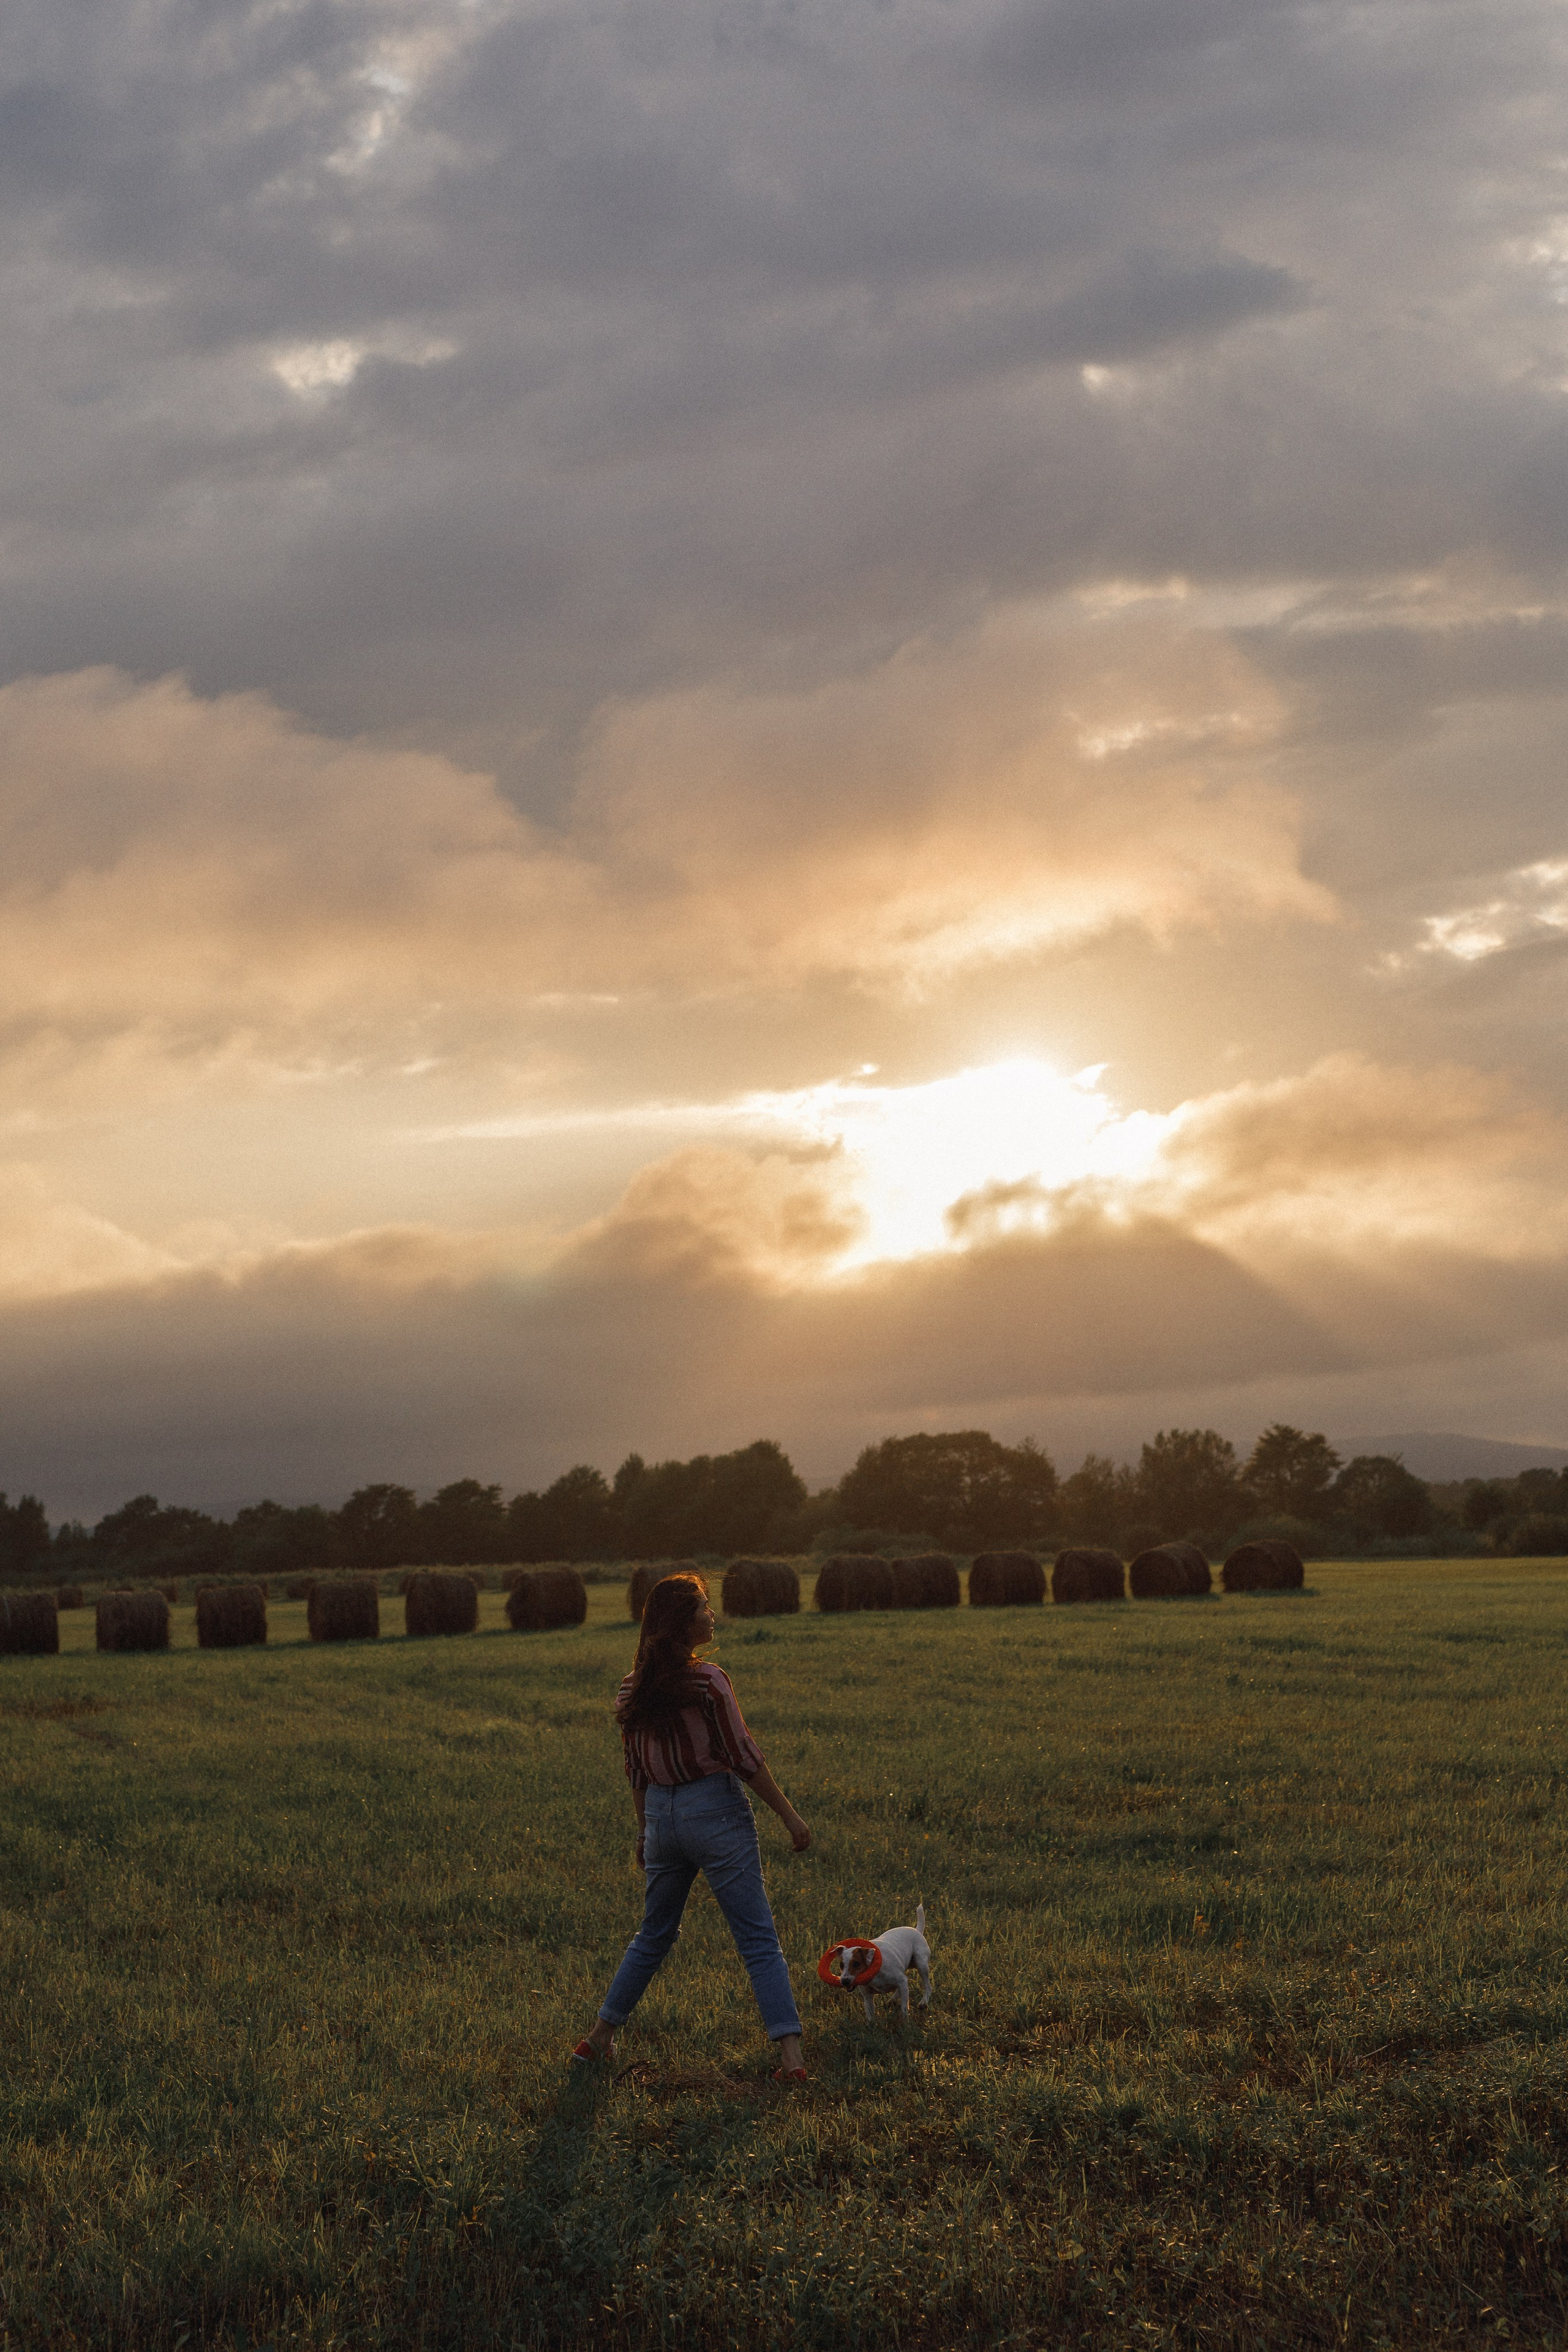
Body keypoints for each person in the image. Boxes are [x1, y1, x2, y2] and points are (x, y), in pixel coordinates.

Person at [571, 1572, 812, 2080]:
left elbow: (636, 1770)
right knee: (757, 1939)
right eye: (704, 1606)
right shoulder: (709, 1680)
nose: (711, 1613)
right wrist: (790, 1817)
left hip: (662, 1816)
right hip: (715, 1812)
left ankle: (597, 2040)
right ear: (683, 1621)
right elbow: (743, 1757)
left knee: (652, 1935)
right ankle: (791, 2059)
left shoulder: (632, 1688)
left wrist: (644, 1831)